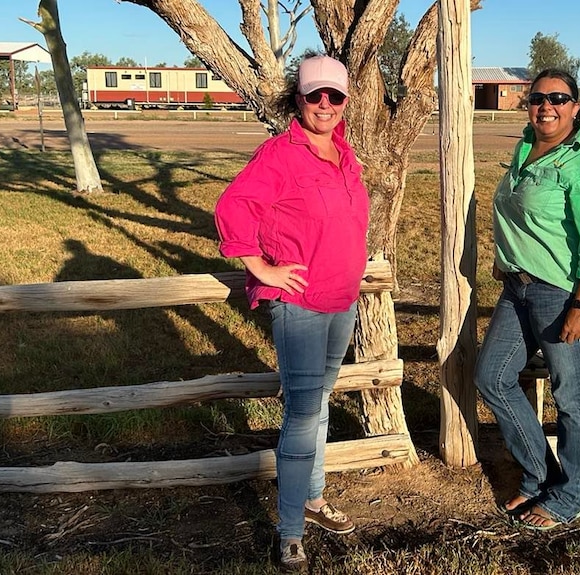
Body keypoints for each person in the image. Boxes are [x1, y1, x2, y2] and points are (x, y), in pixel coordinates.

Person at [214, 55, 369, 571]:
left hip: (342, 299)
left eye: (335, 95)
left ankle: (312, 496)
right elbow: (233, 207)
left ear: (346, 100)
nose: (324, 105)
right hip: (299, 303)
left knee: (320, 400)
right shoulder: (280, 154)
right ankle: (290, 530)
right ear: (297, 99)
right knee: (303, 411)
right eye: (313, 95)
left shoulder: (346, 154)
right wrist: (263, 268)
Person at [475, 68, 580, 531]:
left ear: (576, 107)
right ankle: (541, 475)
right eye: (538, 97)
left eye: (559, 98)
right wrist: (505, 257)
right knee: (491, 378)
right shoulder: (525, 146)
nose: (547, 106)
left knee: (571, 398)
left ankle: (567, 498)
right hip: (517, 288)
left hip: (561, 294)